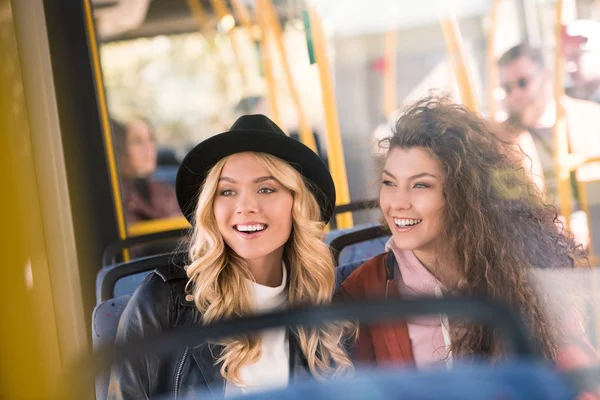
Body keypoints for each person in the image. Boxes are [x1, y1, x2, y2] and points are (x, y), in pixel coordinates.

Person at [338, 95, 597, 370]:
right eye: (389, 183)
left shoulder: (522, 273)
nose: (397, 202)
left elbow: (576, 371)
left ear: (464, 196)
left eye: (420, 186)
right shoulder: (363, 290)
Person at [108, 115, 353, 399]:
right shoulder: (162, 302)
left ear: (296, 203)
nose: (245, 206)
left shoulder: (325, 301)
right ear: (211, 207)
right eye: (227, 191)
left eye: (266, 189)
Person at [497, 43, 600, 249]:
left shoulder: (591, 118)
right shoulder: (499, 140)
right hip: (545, 255)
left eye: (523, 82)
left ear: (546, 76)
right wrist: (553, 227)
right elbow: (502, 212)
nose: (515, 94)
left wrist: (590, 224)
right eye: (508, 88)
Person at [112, 118, 181, 223]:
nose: (148, 148)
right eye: (137, 141)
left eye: (151, 139)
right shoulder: (116, 198)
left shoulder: (163, 191)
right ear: (118, 147)